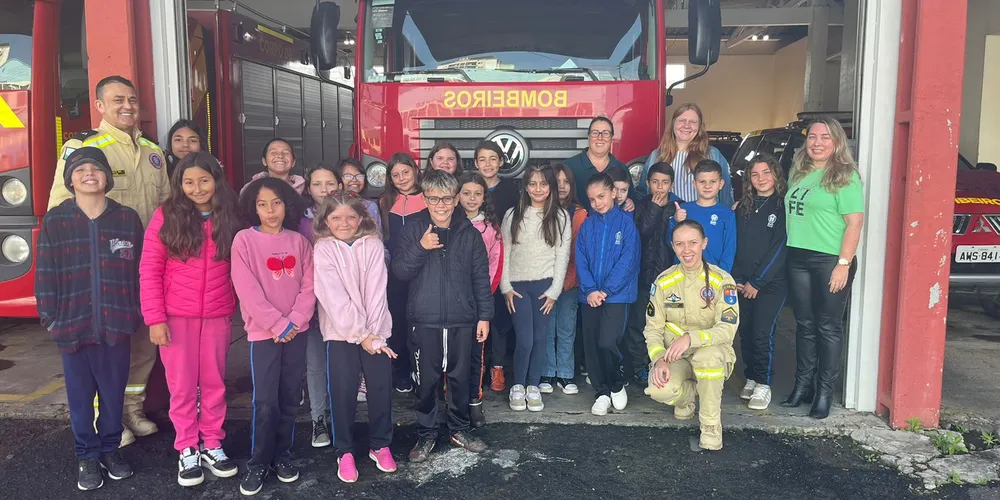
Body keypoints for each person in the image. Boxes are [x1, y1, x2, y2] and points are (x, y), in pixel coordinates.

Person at [47, 75, 169, 447]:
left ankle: (131, 408)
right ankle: (105, 418)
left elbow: (166, 208)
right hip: (104, 268)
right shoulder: (83, 148)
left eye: (132, 99)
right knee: (103, 343)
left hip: (145, 264)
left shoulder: (152, 151)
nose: (127, 106)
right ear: (99, 105)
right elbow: (60, 210)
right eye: (118, 100)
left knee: (144, 341)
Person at [36, 147, 143, 490]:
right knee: (80, 398)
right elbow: (46, 274)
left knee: (113, 395)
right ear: (70, 180)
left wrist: (136, 311)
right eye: (80, 170)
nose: (88, 174)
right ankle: (86, 456)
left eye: (95, 169)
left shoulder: (126, 219)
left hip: (116, 325)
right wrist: (51, 320)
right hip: (72, 326)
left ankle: (111, 450)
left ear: (107, 177)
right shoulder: (56, 220)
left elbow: (141, 272)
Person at [140, 152, 242, 486]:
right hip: (175, 317)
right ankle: (187, 447)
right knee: (181, 386)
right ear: (179, 185)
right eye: (188, 182)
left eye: (204, 180)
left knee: (214, 383)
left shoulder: (230, 216)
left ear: (216, 181)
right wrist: (155, 318)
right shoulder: (165, 216)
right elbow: (150, 270)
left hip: (217, 315)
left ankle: (212, 442)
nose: (197, 188)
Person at [391, 170, 494, 462]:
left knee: (461, 378)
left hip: (463, 320)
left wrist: (484, 316)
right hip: (424, 321)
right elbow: (399, 271)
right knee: (426, 382)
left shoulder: (469, 234)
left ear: (456, 198)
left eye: (447, 198)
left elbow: (480, 279)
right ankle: (426, 434)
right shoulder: (412, 229)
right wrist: (420, 248)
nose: (441, 205)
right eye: (434, 198)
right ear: (425, 198)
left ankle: (459, 429)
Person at [231, 178, 315, 496]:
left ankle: (282, 456)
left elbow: (310, 285)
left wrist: (293, 320)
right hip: (264, 334)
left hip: (297, 330)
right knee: (265, 401)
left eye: (277, 203)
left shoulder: (299, 242)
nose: (270, 210)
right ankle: (258, 463)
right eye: (263, 204)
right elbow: (247, 288)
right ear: (253, 207)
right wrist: (276, 324)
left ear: (287, 205)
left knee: (290, 399)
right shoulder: (243, 241)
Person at [780, 118, 864, 419]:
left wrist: (843, 265)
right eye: (812, 137)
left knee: (828, 326)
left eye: (825, 137)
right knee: (804, 324)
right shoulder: (799, 172)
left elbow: (855, 223)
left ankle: (824, 391)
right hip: (798, 257)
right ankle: (802, 386)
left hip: (829, 259)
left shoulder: (845, 176)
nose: (817, 142)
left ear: (837, 142)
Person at [312, 192, 397, 483]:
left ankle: (380, 445)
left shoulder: (372, 244)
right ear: (325, 221)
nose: (344, 223)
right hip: (341, 332)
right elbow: (332, 298)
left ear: (362, 218)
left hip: (376, 331)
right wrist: (361, 335)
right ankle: (345, 450)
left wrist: (373, 335)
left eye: (350, 216)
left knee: (381, 388)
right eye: (335, 217)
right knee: (342, 391)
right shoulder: (323, 249)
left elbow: (377, 290)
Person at [644, 220, 739, 451]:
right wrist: (658, 360)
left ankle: (710, 427)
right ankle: (690, 397)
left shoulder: (722, 281)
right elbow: (652, 329)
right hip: (677, 358)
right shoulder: (664, 281)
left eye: (693, 243)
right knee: (659, 389)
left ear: (704, 244)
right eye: (679, 244)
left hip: (712, 354)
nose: (686, 250)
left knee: (707, 359)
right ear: (673, 246)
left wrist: (691, 338)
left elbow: (727, 328)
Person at [500, 164, 572, 412]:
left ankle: (533, 385)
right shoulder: (513, 215)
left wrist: (554, 291)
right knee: (525, 339)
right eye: (533, 184)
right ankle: (518, 385)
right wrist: (505, 286)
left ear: (551, 186)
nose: (538, 189)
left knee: (541, 337)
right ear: (525, 187)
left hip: (544, 286)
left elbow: (562, 256)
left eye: (543, 184)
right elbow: (505, 253)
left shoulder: (560, 217)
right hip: (518, 287)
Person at [576, 173, 640, 416]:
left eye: (601, 196)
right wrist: (591, 289)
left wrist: (606, 290)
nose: (597, 203)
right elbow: (580, 259)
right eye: (592, 199)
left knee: (607, 341)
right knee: (592, 345)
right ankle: (601, 392)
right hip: (590, 296)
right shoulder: (587, 225)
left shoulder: (626, 224)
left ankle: (615, 382)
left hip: (617, 296)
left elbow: (628, 261)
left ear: (614, 193)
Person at [732, 154, 788, 411]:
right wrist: (739, 280)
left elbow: (780, 248)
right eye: (755, 175)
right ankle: (752, 376)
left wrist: (757, 281)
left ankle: (764, 384)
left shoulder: (782, 206)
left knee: (762, 333)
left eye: (766, 172)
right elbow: (737, 246)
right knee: (745, 332)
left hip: (770, 284)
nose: (761, 178)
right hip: (743, 284)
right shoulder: (743, 206)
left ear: (776, 174)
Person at [297, 164, 342, 448]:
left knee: (341, 362)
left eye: (330, 183)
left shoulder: (349, 214)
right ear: (308, 188)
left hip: (342, 301)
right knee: (315, 364)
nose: (324, 189)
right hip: (311, 300)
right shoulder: (300, 221)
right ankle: (318, 419)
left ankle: (341, 416)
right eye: (317, 184)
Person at [626, 162, 682, 385]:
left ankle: (671, 366)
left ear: (672, 184)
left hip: (671, 279)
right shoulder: (639, 206)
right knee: (639, 323)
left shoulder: (679, 208)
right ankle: (641, 367)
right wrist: (654, 210)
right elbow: (640, 235)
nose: (660, 188)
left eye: (665, 183)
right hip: (642, 276)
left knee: (670, 322)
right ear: (647, 183)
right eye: (655, 182)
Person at [457, 172, 504, 426]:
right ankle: (454, 401)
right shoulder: (448, 224)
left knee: (476, 354)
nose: (472, 198)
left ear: (485, 197)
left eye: (478, 193)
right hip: (452, 303)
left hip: (476, 304)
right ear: (457, 195)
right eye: (466, 193)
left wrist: (483, 299)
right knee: (453, 354)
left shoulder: (489, 229)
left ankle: (475, 402)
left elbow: (495, 267)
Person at [378, 153, 426, 393]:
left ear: (415, 171)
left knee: (423, 323)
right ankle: (402, 372)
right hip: (396, 273)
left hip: (425, 270)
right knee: (398, 323)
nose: (401, 178)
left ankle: (424, 372)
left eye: (405, 172)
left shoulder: (429, 196)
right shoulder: (385, 201)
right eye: (395, 175)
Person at [474, 140, 518, 391]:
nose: (488, 164)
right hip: (473, 261)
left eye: (493, 158)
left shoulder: (510, 190)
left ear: (501, 162)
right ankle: (476, 366)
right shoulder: (470, 187)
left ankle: (498, 368)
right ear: (476, 163)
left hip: (500, 258)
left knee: (499, 314)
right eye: (482, 159)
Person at [540, 164, 587, 395]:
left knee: (566, 330)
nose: (561, 186)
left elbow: (578, 252)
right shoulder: (540, 211)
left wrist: (567, 279)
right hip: (546, 282)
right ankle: (547, 371)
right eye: (556, 182)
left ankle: (566, 374)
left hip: (569, 282)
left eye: (566, 182)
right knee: (547, 329)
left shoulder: (579, 213)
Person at [639, 103, 734, 206]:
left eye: (693, 122)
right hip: (666, 220)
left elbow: (726, 193)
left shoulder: (713, 155)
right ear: (673, 123)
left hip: (702, 220)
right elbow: (643, 193)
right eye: (682, 120)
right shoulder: (657, 155)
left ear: (699, 126)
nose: (687, 125)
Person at [670, 160, 737, 272]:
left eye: (712, 182)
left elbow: (729, 250)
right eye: (702, 182)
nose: (707, 186)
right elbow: (670, 241)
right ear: (694, 184)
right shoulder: (683, 209)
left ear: (721, 184)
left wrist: (722, 275)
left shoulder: (727, 214)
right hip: (683, 272)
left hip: (713, 274)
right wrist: (675, 220)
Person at [564, 117, 633, 212]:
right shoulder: (569, 167)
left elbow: (633, 199)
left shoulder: (621, 168)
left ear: (611, 138)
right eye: (595, 133)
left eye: (605, 133)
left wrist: (630, 202)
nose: (600, 138)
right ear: (588, 136)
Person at [336, 158, 384, 234]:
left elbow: (378, 235)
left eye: (359, 176)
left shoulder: (371, 207)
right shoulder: (334, 206)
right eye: (348, 176)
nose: (354, 180)